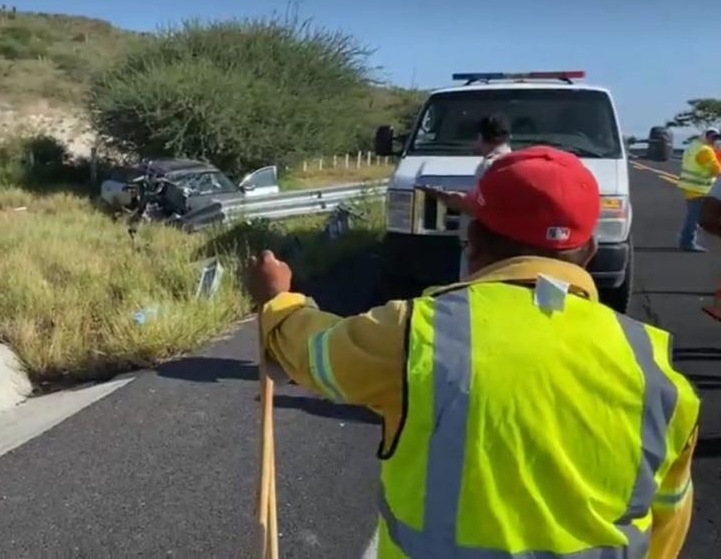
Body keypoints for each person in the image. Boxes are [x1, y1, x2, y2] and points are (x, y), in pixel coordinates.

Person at [245, 146, 700, 558]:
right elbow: (667, 523)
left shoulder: (416, 332)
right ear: (590, 252)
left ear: (474, 239)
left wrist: (278, 300)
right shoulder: (658, 372)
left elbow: (314, 354)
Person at [419, 113, 512, 280]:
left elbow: (479, 206)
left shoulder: (488, 165)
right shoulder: (514, 162)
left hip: (480, 245)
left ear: (481, 137)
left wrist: (448, 198)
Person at [677, 127, 721, 252]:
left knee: (693, 216)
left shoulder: (694, 146)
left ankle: (686, 240)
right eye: (711, 137)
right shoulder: (705, 151)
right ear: (705, 136)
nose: (713, 140)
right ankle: (688, 242)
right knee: (695, 217)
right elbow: (716, 170)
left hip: (690, 186)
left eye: (716, 138)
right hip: (698, 188)